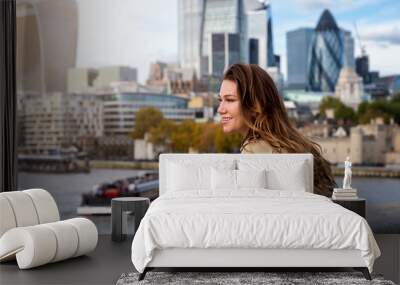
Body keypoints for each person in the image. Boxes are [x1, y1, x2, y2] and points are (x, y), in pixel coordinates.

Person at [217, 63, 336, 197]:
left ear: (254, 105)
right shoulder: (297, 144)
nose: (220, 109)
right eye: (220, 100)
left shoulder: (253, 149)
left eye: (230, 100)